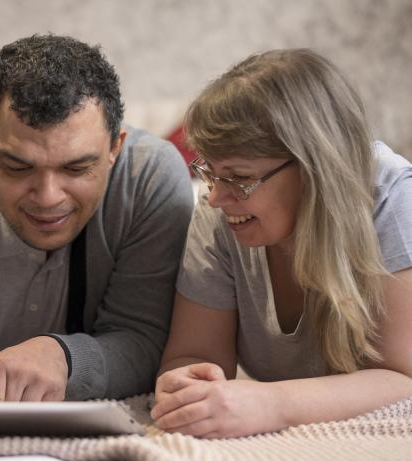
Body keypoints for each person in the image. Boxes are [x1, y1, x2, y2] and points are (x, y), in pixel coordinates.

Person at [0, 34, 193, 429]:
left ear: (116, 147)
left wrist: (66, 358)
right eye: (18, 167)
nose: (47, 197)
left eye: (77, 169)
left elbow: (144, 339)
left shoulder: (151, 179)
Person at [151, 48, 412, 438]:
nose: (216, 197)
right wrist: (184, 387)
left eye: (240, 178)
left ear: (315, 167)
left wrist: (272, 404)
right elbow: (195, 355)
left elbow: (404, 379)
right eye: (210, 172)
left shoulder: (392, 197)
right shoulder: (220, 213)